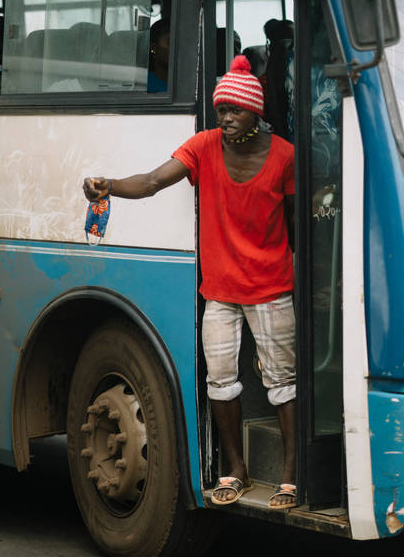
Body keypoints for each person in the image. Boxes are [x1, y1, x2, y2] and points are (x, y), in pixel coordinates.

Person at [83, 54, 298, 510]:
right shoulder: (202, 146)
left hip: (271, 288)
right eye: (221, 110)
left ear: (255, 113)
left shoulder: (284, 156)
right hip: (220, 291)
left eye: (234, 110)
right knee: (220, 383)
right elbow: (152, 181)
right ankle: (235, 471)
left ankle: (290, 475)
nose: (225, 117)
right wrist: (109, 186)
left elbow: (299, 224)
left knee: (283, 384)